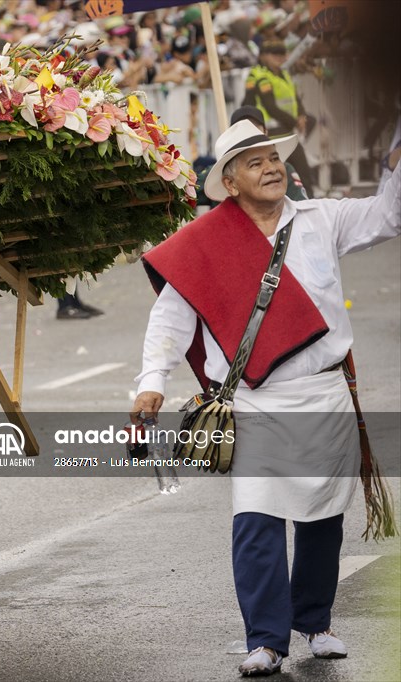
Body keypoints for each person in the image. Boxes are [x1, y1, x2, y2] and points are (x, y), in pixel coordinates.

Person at [131, 119, 400, 676]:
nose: (271, 167)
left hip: (324, 394)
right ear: (230, 184)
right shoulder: (206, 242)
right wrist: (151, 380)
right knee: (256, 519)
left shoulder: (322, 218)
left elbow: (389, 215)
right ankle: (267, 639)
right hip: (253, 401)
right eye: (254, 162)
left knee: (324, 518)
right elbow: (170, 320)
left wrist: (396, 162)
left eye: (272, 157)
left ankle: (316, 623)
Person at [245, 40, 316, 190]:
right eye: (274, 54)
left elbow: (295, 97)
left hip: (287, 128)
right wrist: (295, 122)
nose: (279, 57)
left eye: (282, 54)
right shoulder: (259, 75)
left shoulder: (284, 73)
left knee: (302, 174)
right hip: (272, 131)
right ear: (263, 56)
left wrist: (302, 115)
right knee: (285, 174)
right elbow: (270, 106)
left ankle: (308, 204)